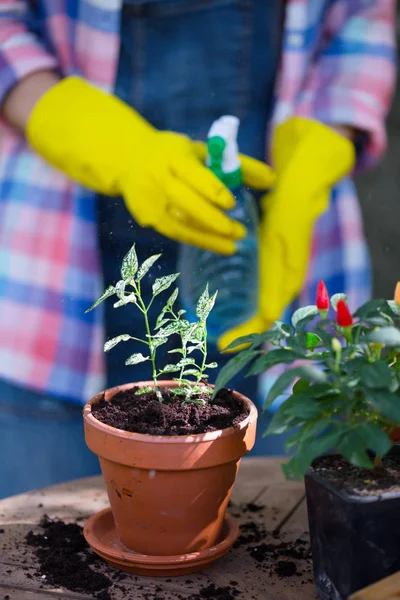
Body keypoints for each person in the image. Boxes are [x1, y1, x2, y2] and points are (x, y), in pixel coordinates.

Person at [0, 0, 396, 497]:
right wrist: (78, 126)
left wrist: (324, 143)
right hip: (55, 275)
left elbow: (362, 18)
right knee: (45, 537)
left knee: (281, 529)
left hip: (276, 264)